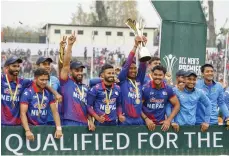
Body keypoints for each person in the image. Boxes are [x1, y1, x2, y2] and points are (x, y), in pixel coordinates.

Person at [59, 32, 95, 130]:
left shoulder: (85, 88)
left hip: (84, 123)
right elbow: (66, 64)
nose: (80, 73)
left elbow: (88, 106)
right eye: (77, 70)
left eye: (81, 71)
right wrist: (70, 45)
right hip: (69, 121)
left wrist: (90, 121)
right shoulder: (65, 82)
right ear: (70, 71)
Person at [20, 68, 63, 141]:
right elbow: (22, 113)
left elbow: (55, 112)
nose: (44, 82)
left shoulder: (48, 93)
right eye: (42, 80)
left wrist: (59, 128)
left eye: (46, 80)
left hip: (44, 128)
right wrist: (27, 130)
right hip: (31, 128)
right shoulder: (28, 93)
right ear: (35, 79)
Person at [118, 35, 147, 125]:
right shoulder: (122, 80)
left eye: (135, 68)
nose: (133, 70)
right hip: (125, 119)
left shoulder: (139, 80)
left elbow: (143, 65)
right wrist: (135, 46)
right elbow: (127, 64)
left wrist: (142, 46)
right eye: (131, 68)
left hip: (138, 120)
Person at [142, 65, 180, 131]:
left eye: (160, 75)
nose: (157, 77)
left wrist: (168, 120)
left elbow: (177, 105)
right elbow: (137, 106)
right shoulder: (146, 88)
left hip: (161, 125)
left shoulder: (168, 89)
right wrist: (146, 119)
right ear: (152, 74)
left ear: (164, 75)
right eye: (155, 74)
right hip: (145, 124)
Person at [1, 56, 33, 125]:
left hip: (16, 125)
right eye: (14, 66)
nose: (17, 68)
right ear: (7, 68)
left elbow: (39, 82)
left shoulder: (23, 82)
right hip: (2, 124)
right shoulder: (1, 80)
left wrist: (55, 93)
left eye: (18, 66)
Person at [36, 56, 60, 125]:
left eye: (48, 64)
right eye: (44, 64)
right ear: (37, 66)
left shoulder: (55, 80)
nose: (47, 66)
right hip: (36, 120)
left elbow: (60, 97)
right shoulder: (31, 81)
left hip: (52, 119)